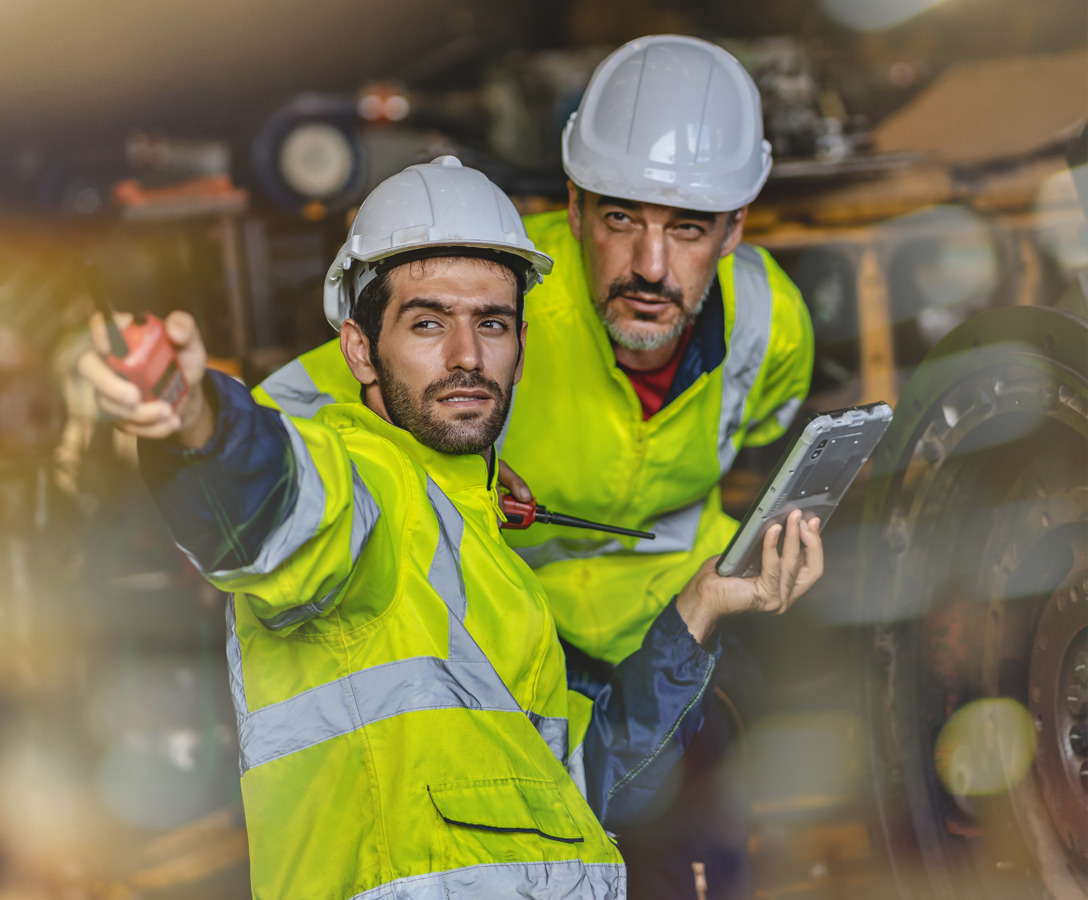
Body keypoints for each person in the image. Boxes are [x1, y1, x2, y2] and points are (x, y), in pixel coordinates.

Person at [80, 155, 822, 900]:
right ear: (360, 350)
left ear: (522, 351)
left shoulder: (500, 581)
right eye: (428, 322)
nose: (467, 357)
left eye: (492, 324)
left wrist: (703, 606)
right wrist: (194, 418)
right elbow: (279, 495)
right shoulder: (368, 485)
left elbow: (597, 783)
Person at [253, 36, 815, 897]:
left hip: (680, 633)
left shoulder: (770, 326)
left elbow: (760, 438)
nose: (651, 268)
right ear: (577, 205)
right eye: (621, 219)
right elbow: (292, 419)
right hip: (531, 659)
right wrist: (452, 473)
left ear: (737, 228)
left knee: (711, 839)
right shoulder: (494, 297)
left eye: (690, 229)